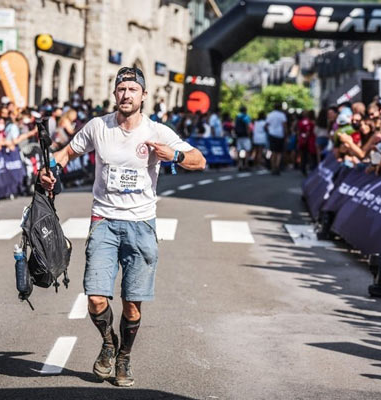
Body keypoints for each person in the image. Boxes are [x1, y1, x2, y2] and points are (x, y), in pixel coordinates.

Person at [39, 66, 206, 387]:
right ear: (114, 94)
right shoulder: (98, 127)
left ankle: (124, 357)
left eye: (132, 90)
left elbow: (199, 160)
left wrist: (175, 155)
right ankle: (107, 343)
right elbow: (65, 153)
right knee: (96, 297)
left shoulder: (157, 132)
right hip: (104, 221)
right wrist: (50, 169)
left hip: (141, 225)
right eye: (121, 89)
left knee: (132, 303)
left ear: (144, 96)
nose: (126, 94)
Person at [265, 103, 287, 175]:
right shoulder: (282, 115)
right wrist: (285, 135)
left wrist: (270, 131)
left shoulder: (270, 115)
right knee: (279, 152)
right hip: (280, 135)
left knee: (273, 151)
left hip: (272, 135)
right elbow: (284, 126)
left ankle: (273, 167)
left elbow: (266, 125)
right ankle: (277, 166)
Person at [234, 106, 252, 170]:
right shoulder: (246, 117)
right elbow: (247, 126)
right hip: (245, 136)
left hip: (238, 136)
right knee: (247, 150)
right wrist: (249, 134)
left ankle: (239, 164)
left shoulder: (237, 117)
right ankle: (246, 165)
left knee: (239, 150)